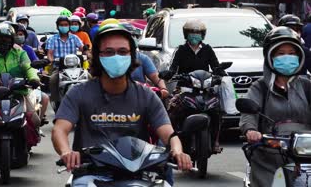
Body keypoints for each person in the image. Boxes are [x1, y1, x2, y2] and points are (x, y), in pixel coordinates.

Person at [51, 24, 192, 186]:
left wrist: (178, 152)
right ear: (97, 56)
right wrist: (66, 152)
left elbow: (169, 134)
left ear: (132, 56)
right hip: (91, 173)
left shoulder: (146, 95)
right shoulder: (78, 93)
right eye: (109, 52)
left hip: (138, 174)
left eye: (123, 52)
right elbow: (60, 130)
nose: (116, 57)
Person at [239, 26, 311, 187]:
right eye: (281, 53)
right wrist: (251, 130)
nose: (287, 57)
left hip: (306, 153)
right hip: (270, 154)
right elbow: (248, 113)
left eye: (292, 53)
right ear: (270, 56)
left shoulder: (307, 86)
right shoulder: (260, 87)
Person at [0, 23, 43, 142]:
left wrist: (34, 79)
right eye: (0, 38)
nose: (3, 41)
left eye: (7, 38)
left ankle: (30, 140)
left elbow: (28, 67)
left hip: (18, 92)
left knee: (34, 119)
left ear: (12, 39)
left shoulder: (20, 54)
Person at [167, 18, 224, 153]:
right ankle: (173, 141)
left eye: (198, 32)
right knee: (173, 110)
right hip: (185, 88)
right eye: (192, 32)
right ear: (186, 34)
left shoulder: (207, 49)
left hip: (204, 88)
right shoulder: (180, 50)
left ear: (202, 35)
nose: (195, 35)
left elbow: (215, 66)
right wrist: (168, 74)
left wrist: (221, 73)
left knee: (217, 112)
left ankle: (215, 141)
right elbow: (173, 68)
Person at [118, 22, 169, 100]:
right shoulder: (113, 59)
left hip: (139, 98)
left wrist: (163, 89)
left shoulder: (142, 58)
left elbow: (156, 77)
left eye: (134, 36)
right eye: (129, 36)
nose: (133, 38)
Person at [14, 24, 51, 124]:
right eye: (15, 34)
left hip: (26, 83)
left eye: (20, 34)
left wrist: (37, 74)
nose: (18, 36)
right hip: (9, 85)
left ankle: (37, 124)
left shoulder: (27, 50)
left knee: (43, 98)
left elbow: (31, 65)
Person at [46, 16, 84, 104]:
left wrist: (88, 53)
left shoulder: (74, 38)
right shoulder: (52, 39)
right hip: (59, 68)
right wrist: (51, 60)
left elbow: (83, 49)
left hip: (76, 68)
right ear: (57, 27)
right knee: (52, 80)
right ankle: (56, 101)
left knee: (89, 76)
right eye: (61, 25)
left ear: (69, 26)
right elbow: (50, 53)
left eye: (66, 25)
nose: (64, 27)